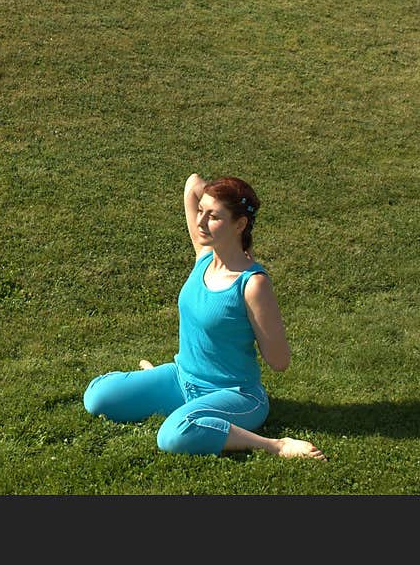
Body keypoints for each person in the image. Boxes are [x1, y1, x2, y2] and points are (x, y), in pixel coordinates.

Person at [83, 173, 326, 461]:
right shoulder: (204, 256)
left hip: (236, 395)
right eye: (201, 211)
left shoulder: (252, 283)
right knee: (98, 397)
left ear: (240, 224)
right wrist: (219, 198)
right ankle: (167, 390)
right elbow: (192, 184)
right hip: (182, 377)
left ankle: (276, 444)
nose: (200, 222)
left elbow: (279, 361)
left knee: (173, 435)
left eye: (213, 217)